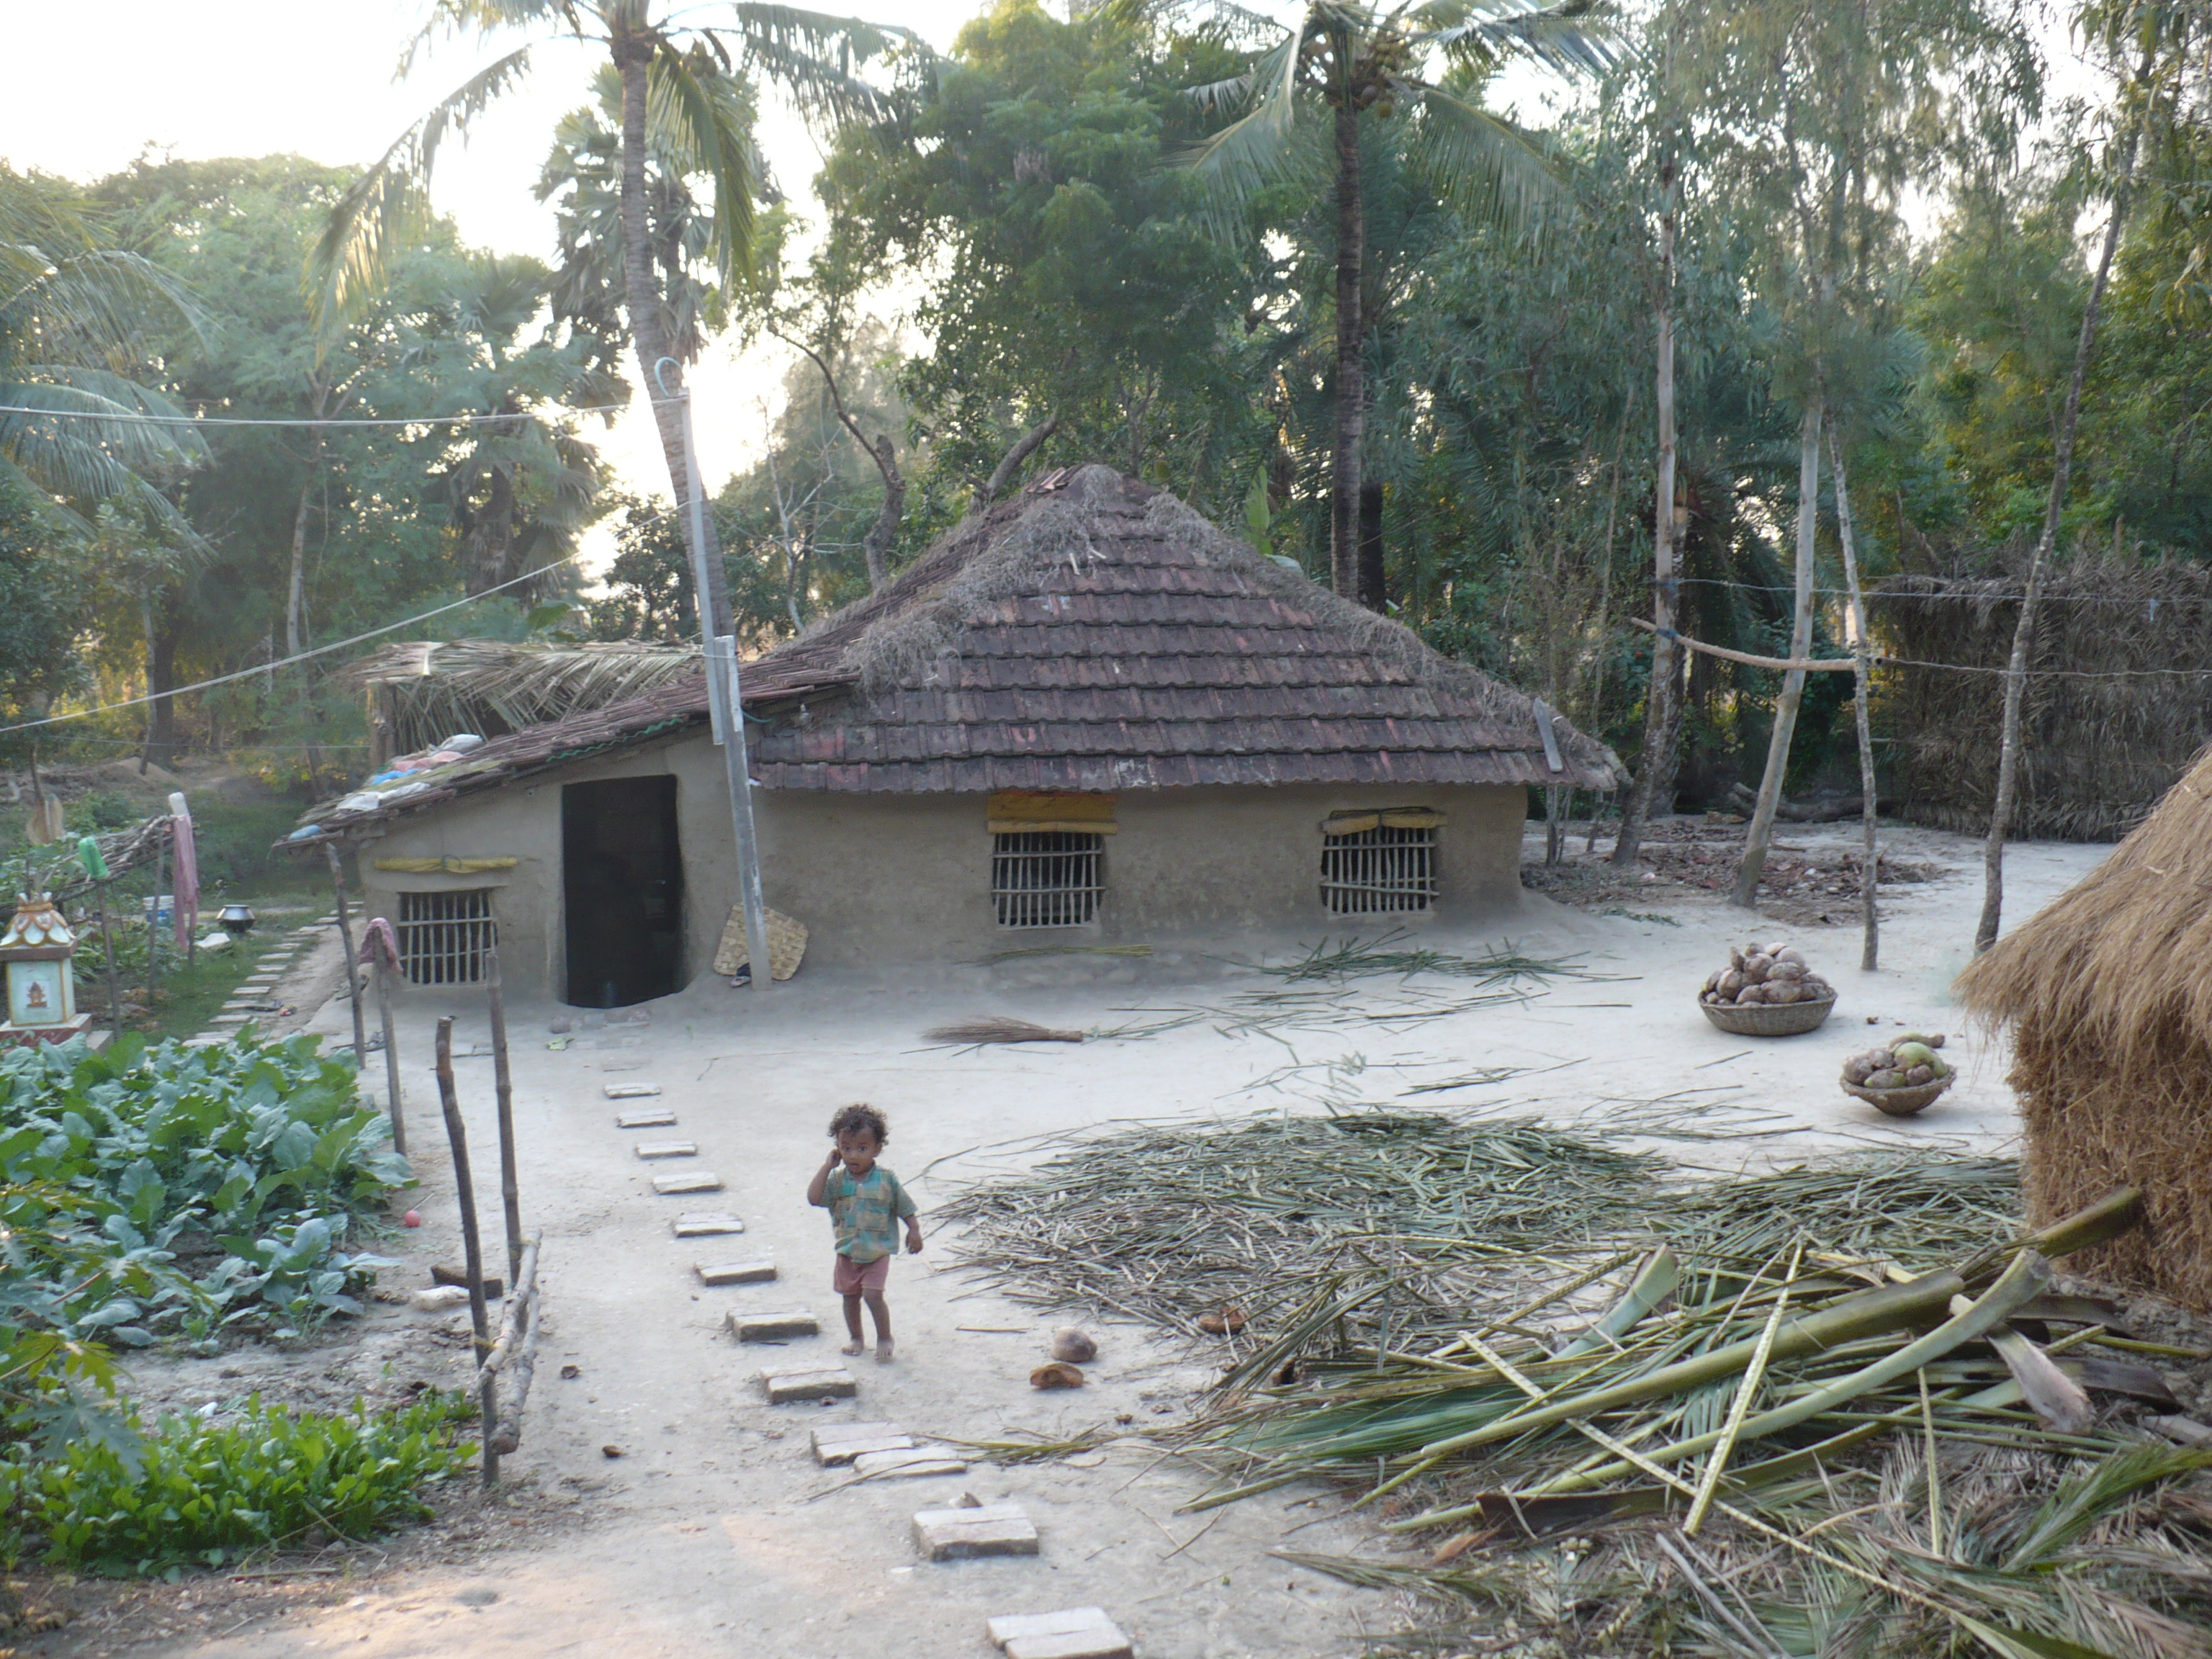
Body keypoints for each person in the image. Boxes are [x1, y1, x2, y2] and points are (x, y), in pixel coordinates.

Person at [806, 1103, 922, 1363]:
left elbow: (905, 1206)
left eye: (862, 1148)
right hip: (847, 1250)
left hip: (877, 1251)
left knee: (872, 1295)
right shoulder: (836, 1181)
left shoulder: (886, 1180)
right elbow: (814, 1198)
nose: (853, 1155)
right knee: (850, 1297)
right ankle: (856, 1337)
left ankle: (884, 1336)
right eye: (846, 1148)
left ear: (877, 1149)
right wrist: (827, 1167)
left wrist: (914, 1230)